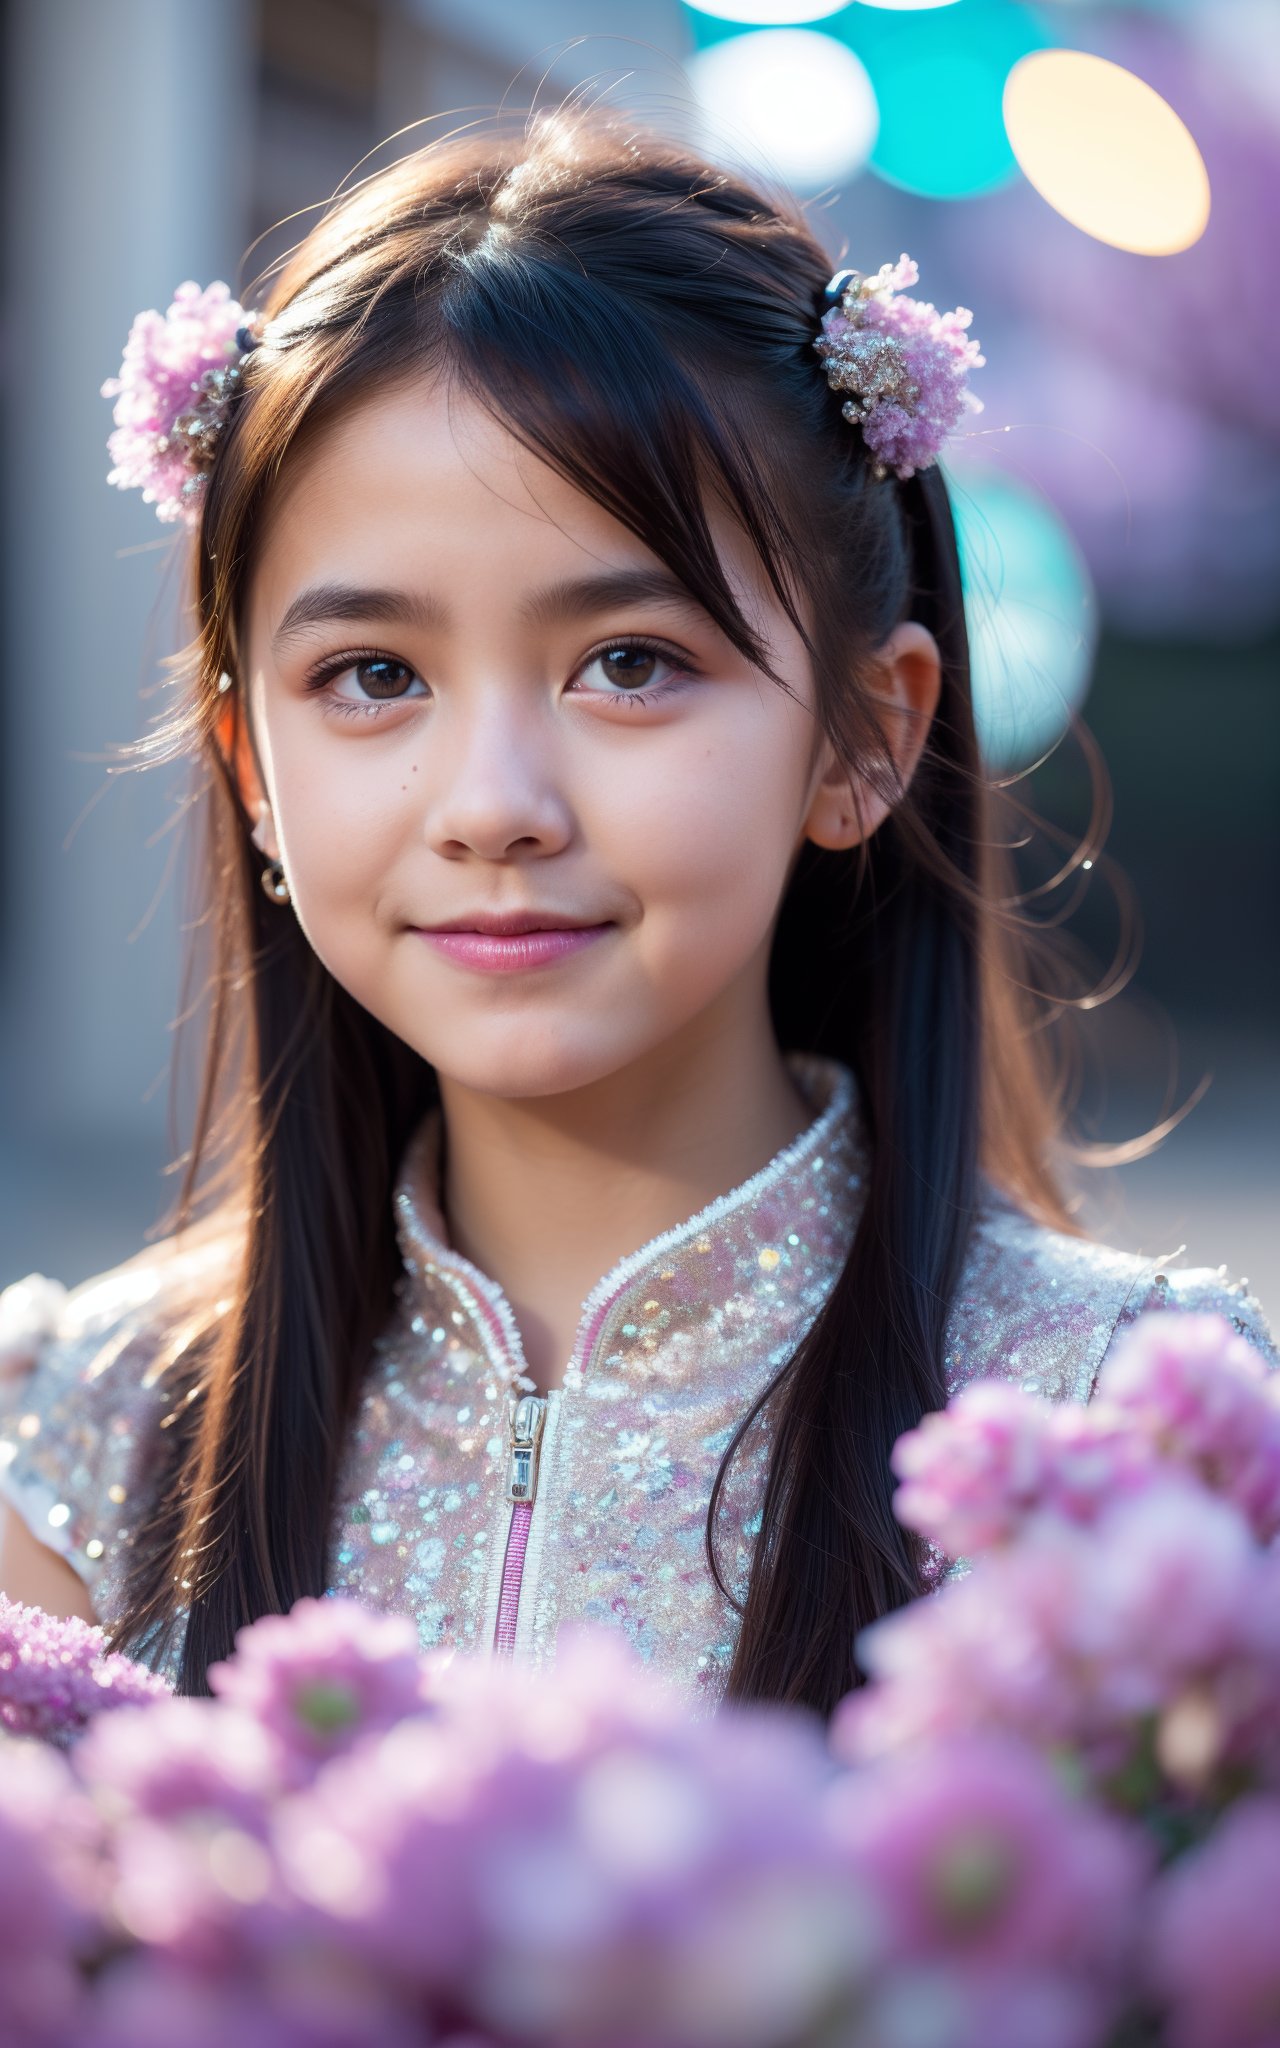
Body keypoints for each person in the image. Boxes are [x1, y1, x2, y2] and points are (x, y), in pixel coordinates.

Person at [0, 110, 1274, 1717]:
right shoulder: (76, 1448)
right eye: (372, 677)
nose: (493, 802)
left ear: (867, 734)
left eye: (631, 664)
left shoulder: (1120, 1438)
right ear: (252, 760)